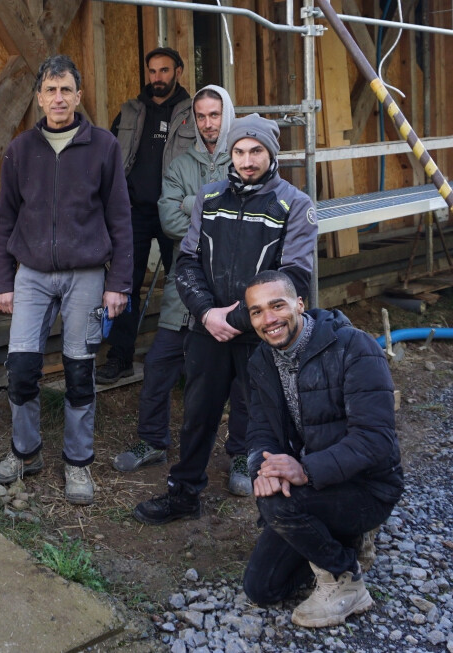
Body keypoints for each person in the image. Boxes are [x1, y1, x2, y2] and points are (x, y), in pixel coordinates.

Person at [134, 113, 318, 525]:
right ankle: (183, 494)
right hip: (208, 329)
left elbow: (293, 280)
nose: (247, 160)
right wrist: (204, 312)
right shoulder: (210, 197)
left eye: (256, 151)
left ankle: (276, 510)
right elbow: (186, 263)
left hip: (264, 336)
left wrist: (235, 317)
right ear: (229, 154)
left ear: (272, 153)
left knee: (269, 419)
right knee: (197, 413)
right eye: (238, 151)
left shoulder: (295, 205)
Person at [0, 55, 132, 505]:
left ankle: (78, 465)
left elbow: (121, 219)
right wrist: (3, 282)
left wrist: (119, 283)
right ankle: (25, 455)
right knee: (22, 369)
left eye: (66, 89)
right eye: (50, 90)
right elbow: (4, 218)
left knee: (78, 371)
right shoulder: (20, 150)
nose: (58, 98)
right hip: (30, 274)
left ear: (79, 96)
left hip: (86, 273)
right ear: (38, 98)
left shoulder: (103, 146)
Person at [241, 270, 403, 627]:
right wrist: (262, 471)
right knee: (262, 588)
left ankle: (345, 581)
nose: (268, 319)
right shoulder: (261, 361)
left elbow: (374, 440)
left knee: (276, 504)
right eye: (256, 311)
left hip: (367, 487)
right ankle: (345, 540)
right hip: (315, 482)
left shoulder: (353, 346)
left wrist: (305, 471)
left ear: (300, 304)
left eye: (277, 305)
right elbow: (259, 430)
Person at [113, 85, 251, 497]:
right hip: (185, 284)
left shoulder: (244, 157)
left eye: (215, 115)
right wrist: (212, 205)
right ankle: (153, 440)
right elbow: (169, 223)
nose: (208, 124)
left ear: (227, 115)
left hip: (235, 287)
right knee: (159, 364)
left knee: (242, 375)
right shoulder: (179, 163)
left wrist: (194, 206)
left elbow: (245, 220)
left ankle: (241, 453)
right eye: (201, 116)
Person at [95, 47, 194, 384]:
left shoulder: (193, 113)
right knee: (124, 283)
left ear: (178, 72)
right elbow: (109, 157)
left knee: (184, 282)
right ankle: (119, 357)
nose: (157, 78)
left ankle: (186, 358)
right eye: (152, 71)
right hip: (133, 211)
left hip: (175, 210)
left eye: (164, 71)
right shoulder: (130, 111)